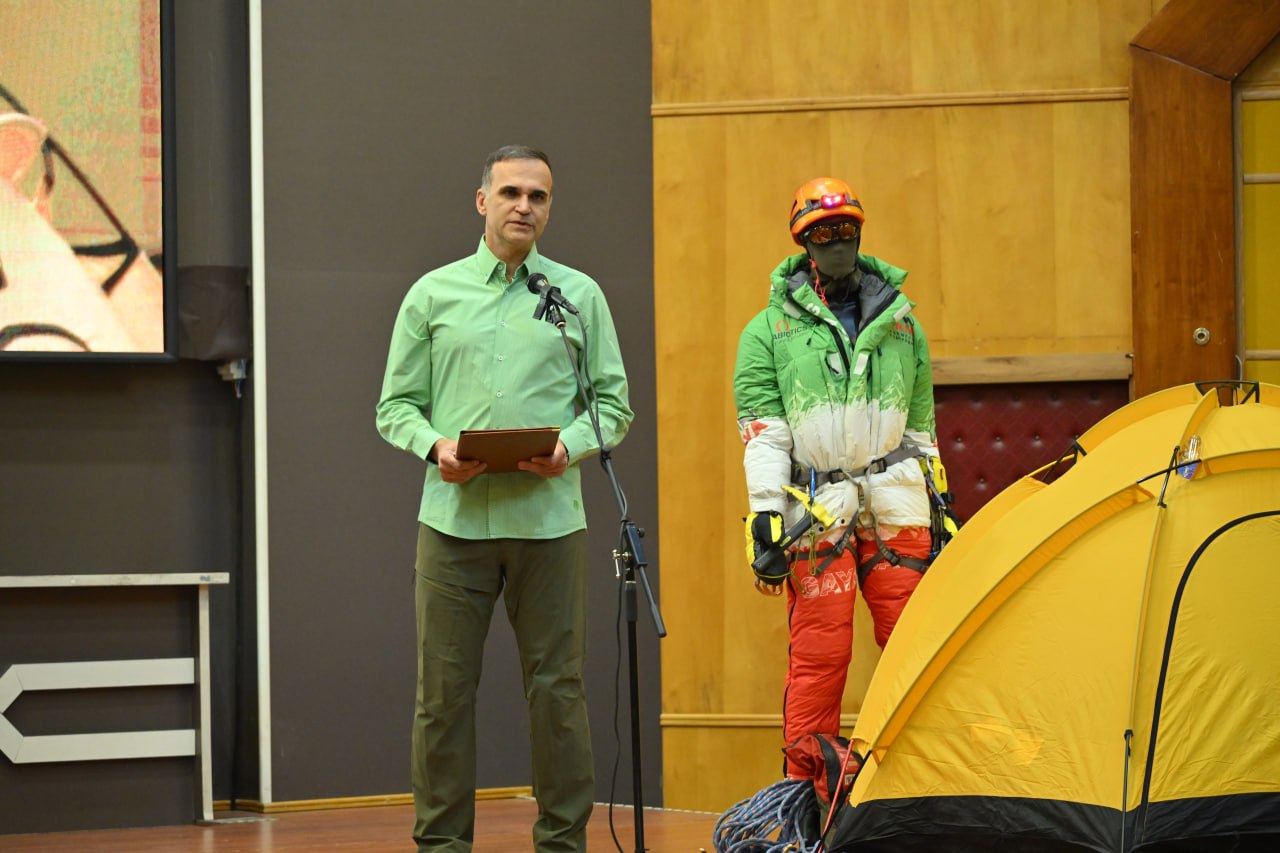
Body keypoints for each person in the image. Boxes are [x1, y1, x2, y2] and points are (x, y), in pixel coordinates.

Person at [376, 145, 633, 852]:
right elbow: (394, 406)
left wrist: (568, 447)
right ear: (482, 201)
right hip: (452, 525)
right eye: (512, 192)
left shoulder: (578, 297)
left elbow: (613, 406)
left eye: (538, 196)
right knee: (442, 698)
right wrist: (436, 446)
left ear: (550, 208)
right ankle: (442, 846)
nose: (525, 205)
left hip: (549, 526)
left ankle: (562, 844)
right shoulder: (433, 294)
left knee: (558, 693)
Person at [733, 176, 946, 799]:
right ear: (802, 242)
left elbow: (923, 432)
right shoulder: (766, 332)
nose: (836, 241)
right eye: (821, 232)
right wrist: (765, 520)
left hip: (898, 499)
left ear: (859, 231)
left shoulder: (903, 325)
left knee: (916, 645)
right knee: (820, 656)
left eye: (845, 229)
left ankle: (929, 789)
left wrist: (941, 509)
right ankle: (803, 797)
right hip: (818, 508)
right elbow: (765, 436)